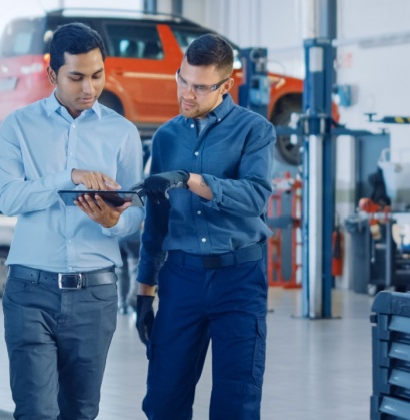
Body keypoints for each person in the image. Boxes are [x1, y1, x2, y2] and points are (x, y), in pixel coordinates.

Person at [0, 22, 143, 420]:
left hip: (95, 294)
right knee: (36, 411)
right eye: (76, 77)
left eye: (97, 75)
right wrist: (70, 177)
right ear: (51, 74)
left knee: (80, 411)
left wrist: (113, 221)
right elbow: (8, 199)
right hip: (30, 290)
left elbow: (136, 213)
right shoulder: (18, 127)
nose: (88, 88)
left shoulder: (122, 133)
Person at [133, 33, 275, 419]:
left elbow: (255, 197)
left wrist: (192, 180)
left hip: (239, 280)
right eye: (182, 79)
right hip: (181, 280)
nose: (187, 93)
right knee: (163, 401)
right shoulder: (165, 137)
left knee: (236, 403)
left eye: (199, 86)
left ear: (226, 85)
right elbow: (156, 222)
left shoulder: (254, 130)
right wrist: (144, 290)